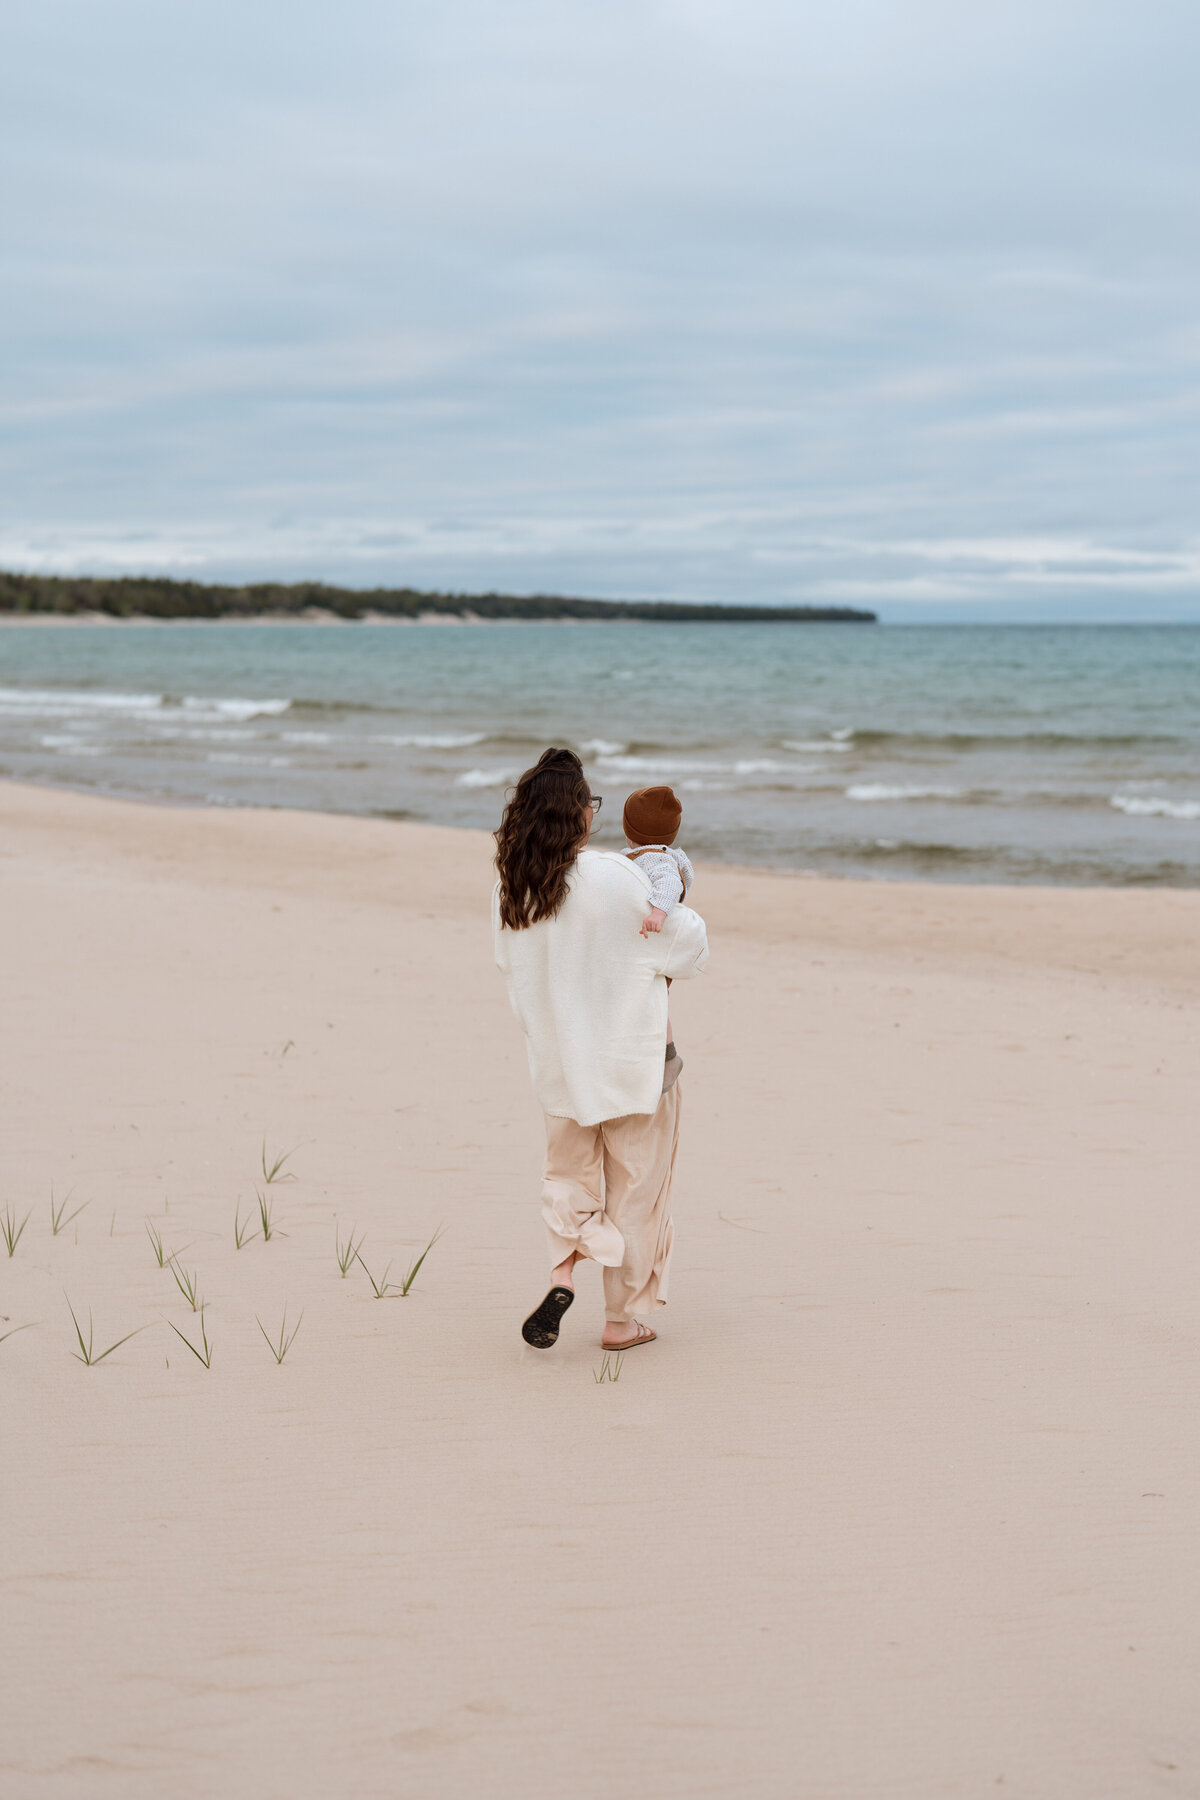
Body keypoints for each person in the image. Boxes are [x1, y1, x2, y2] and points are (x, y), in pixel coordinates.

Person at [492, 748, 709, 1353]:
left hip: (561, 1064)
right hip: (635, 1064)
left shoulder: (514, 889)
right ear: (577, 814)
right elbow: (689, 950)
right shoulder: (618, 877)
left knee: (568, 1177)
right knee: (637, 1188)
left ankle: (563, 1273)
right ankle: (622, 1321)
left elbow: (511, 969)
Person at [622, 783, 693, 1092]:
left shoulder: (657, 860)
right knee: (652, 997)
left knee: (654, 999)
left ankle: (668, 1057)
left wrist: (657, 914)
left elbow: (669, 886)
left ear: (629, 828)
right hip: (648, 938)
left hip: (654, 935)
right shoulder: (649, 855)